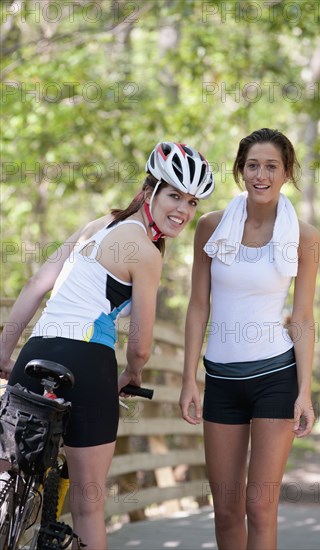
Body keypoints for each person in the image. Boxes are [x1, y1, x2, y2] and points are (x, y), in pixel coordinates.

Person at [0, 141, 214, 549]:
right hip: (89, 365)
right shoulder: (147, 253)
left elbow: (36, 285)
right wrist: (132, 374)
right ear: (149, 190)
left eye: (192, 202)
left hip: (36, 350)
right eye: (174, 195)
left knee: (6, 470)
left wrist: (3, 352)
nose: (183, 211)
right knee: (88, 503)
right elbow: (140, 344)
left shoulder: (97, 225)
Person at [179, 128, 320, 550]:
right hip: (221, 380)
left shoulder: (305, 237)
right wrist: (189, 378)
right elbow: (197, 306)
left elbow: (303, 317)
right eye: (253, 166)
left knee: (260, 508)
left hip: (276, 378)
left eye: (271, 166)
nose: (261, 175)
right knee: (225, 511)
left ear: (286, 172)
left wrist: (306, 392)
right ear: (241, 172)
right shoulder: (210, 227)